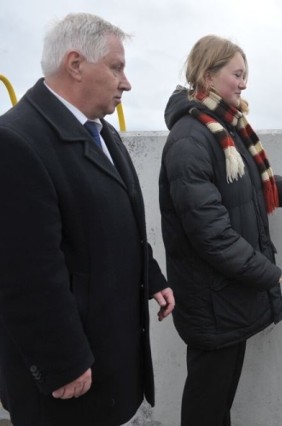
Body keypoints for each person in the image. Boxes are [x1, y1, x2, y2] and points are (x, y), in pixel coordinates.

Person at [0, 13, 174, 426]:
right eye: (116, 67)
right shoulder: (16, 141)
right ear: (75, 64)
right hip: (69, 381)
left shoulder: (102, 132)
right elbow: (25, 271)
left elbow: (112, 222)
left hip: (109, 363)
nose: (126, 82)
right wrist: (62, 363)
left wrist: (152, 276)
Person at [159, 34, 282, 426]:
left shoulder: (226, 131)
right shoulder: (191, 139)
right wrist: (268, 273)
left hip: (226, 298)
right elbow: (210, 232)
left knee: (217, 403)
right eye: (237, 74)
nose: (244, 83)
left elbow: (255, 191)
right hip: (212, 300)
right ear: (208, 74)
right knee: (207, 405)